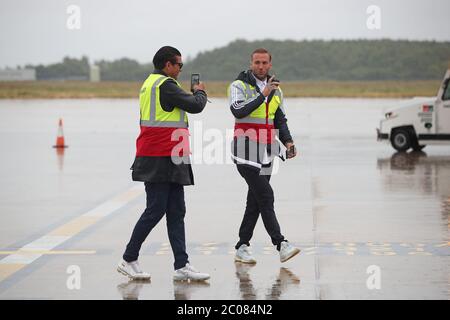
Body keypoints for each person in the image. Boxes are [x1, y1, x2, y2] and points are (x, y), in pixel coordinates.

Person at [117, 46, 210, 281]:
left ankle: (182, 265)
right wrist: (200, 92)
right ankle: (128, 258)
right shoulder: (165, 85)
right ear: (167, 65)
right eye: (179, 65)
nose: (180, 69)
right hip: (159, 156)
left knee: (177, 210)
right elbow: (196, 106)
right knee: (156, 209)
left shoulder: (150, 83)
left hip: (169, 155)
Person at [228, 48, 301, 264]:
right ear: (251, 63)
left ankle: (242, 245)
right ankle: (281, 244)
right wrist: (263, 94)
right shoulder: (238, 86)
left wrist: (288, 142)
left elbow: (279, 119)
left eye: (264, 63)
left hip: (267, 152)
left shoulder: (277, 90)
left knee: (256, 201)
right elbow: (238, 111)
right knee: (266, 196)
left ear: (270, 64)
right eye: (257, 62)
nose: (260, 66)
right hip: (245, 152)